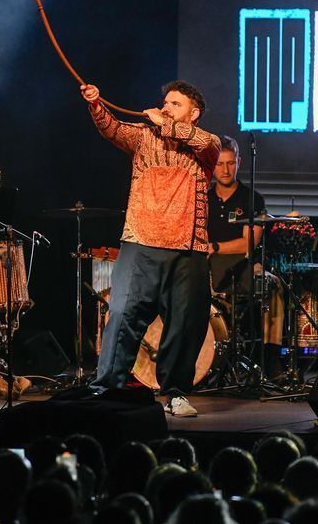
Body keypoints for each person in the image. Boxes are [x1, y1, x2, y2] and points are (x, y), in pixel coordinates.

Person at [82, 81, 220, 417]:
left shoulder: (207, 143)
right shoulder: (144, 136)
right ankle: (107, 387)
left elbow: (205, 143)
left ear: (194, 112)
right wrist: (96, 104)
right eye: (166, 103)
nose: (167, 107)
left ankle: (175, 392)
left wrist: (166, 122)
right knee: (123, 315)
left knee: (184, 322)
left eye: (176, 103)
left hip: (187, 246)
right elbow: (112, 129)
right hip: (141, 240)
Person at [207, 136, 277, 375]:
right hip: (205, 268)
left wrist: (213, 247)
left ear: (238, 162)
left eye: (230, 163)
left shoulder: (252, 198)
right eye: (219, 164)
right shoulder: (202, 198)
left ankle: (267, 362)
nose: (225, 170)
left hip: (240, 267)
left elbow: (248, 244)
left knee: (270, 287)